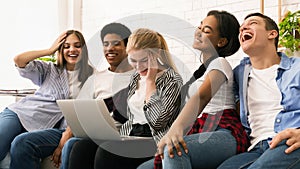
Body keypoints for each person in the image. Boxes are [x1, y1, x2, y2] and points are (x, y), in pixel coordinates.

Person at [140, 10, 250, 169]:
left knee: (175, 149)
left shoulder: (220, 63)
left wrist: (175, 130)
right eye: (200, 27)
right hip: (200, 130)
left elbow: (202, 96)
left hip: (224, 130)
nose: (198, 32)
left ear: (221, 41)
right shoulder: (200, 73)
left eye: (206, 30)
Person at [67, 28, 183, 169]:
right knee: (81, 148)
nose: (138, 67)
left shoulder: (172, 79)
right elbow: (126, 113)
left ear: (156, 54)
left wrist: (150, 82)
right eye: (133, 60)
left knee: (107, 153)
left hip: (154, 139)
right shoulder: (136, 77)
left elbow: (157, 122)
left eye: (144, 60)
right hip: (130, 135)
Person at [0, 30, 94, 169]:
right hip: (19, 114)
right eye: (66, 46)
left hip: (48, 125)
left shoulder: (91, 77)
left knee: (21, 143)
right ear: (60, 49)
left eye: (77, 45)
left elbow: (84, 112)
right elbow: (19, 60)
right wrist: (49, 51)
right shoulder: (49, 69)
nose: (72, 50)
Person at [217, 13, 300, 169]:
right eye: (241, 29)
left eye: (252, 23)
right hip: (255, 148)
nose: (243, 29)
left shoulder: (297, 68)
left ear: (272, 34)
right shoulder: (238, 74)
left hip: (289, 140)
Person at [60, 22, 134, 169]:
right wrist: (66, 135)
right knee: (73, 145)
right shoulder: (96, 78)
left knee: (87, 148)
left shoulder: (139, 75)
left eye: (116, 44)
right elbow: (78, 111)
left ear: (127, 47)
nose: (109, 48)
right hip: (95, 133)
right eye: (105, 44)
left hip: (124, 134)